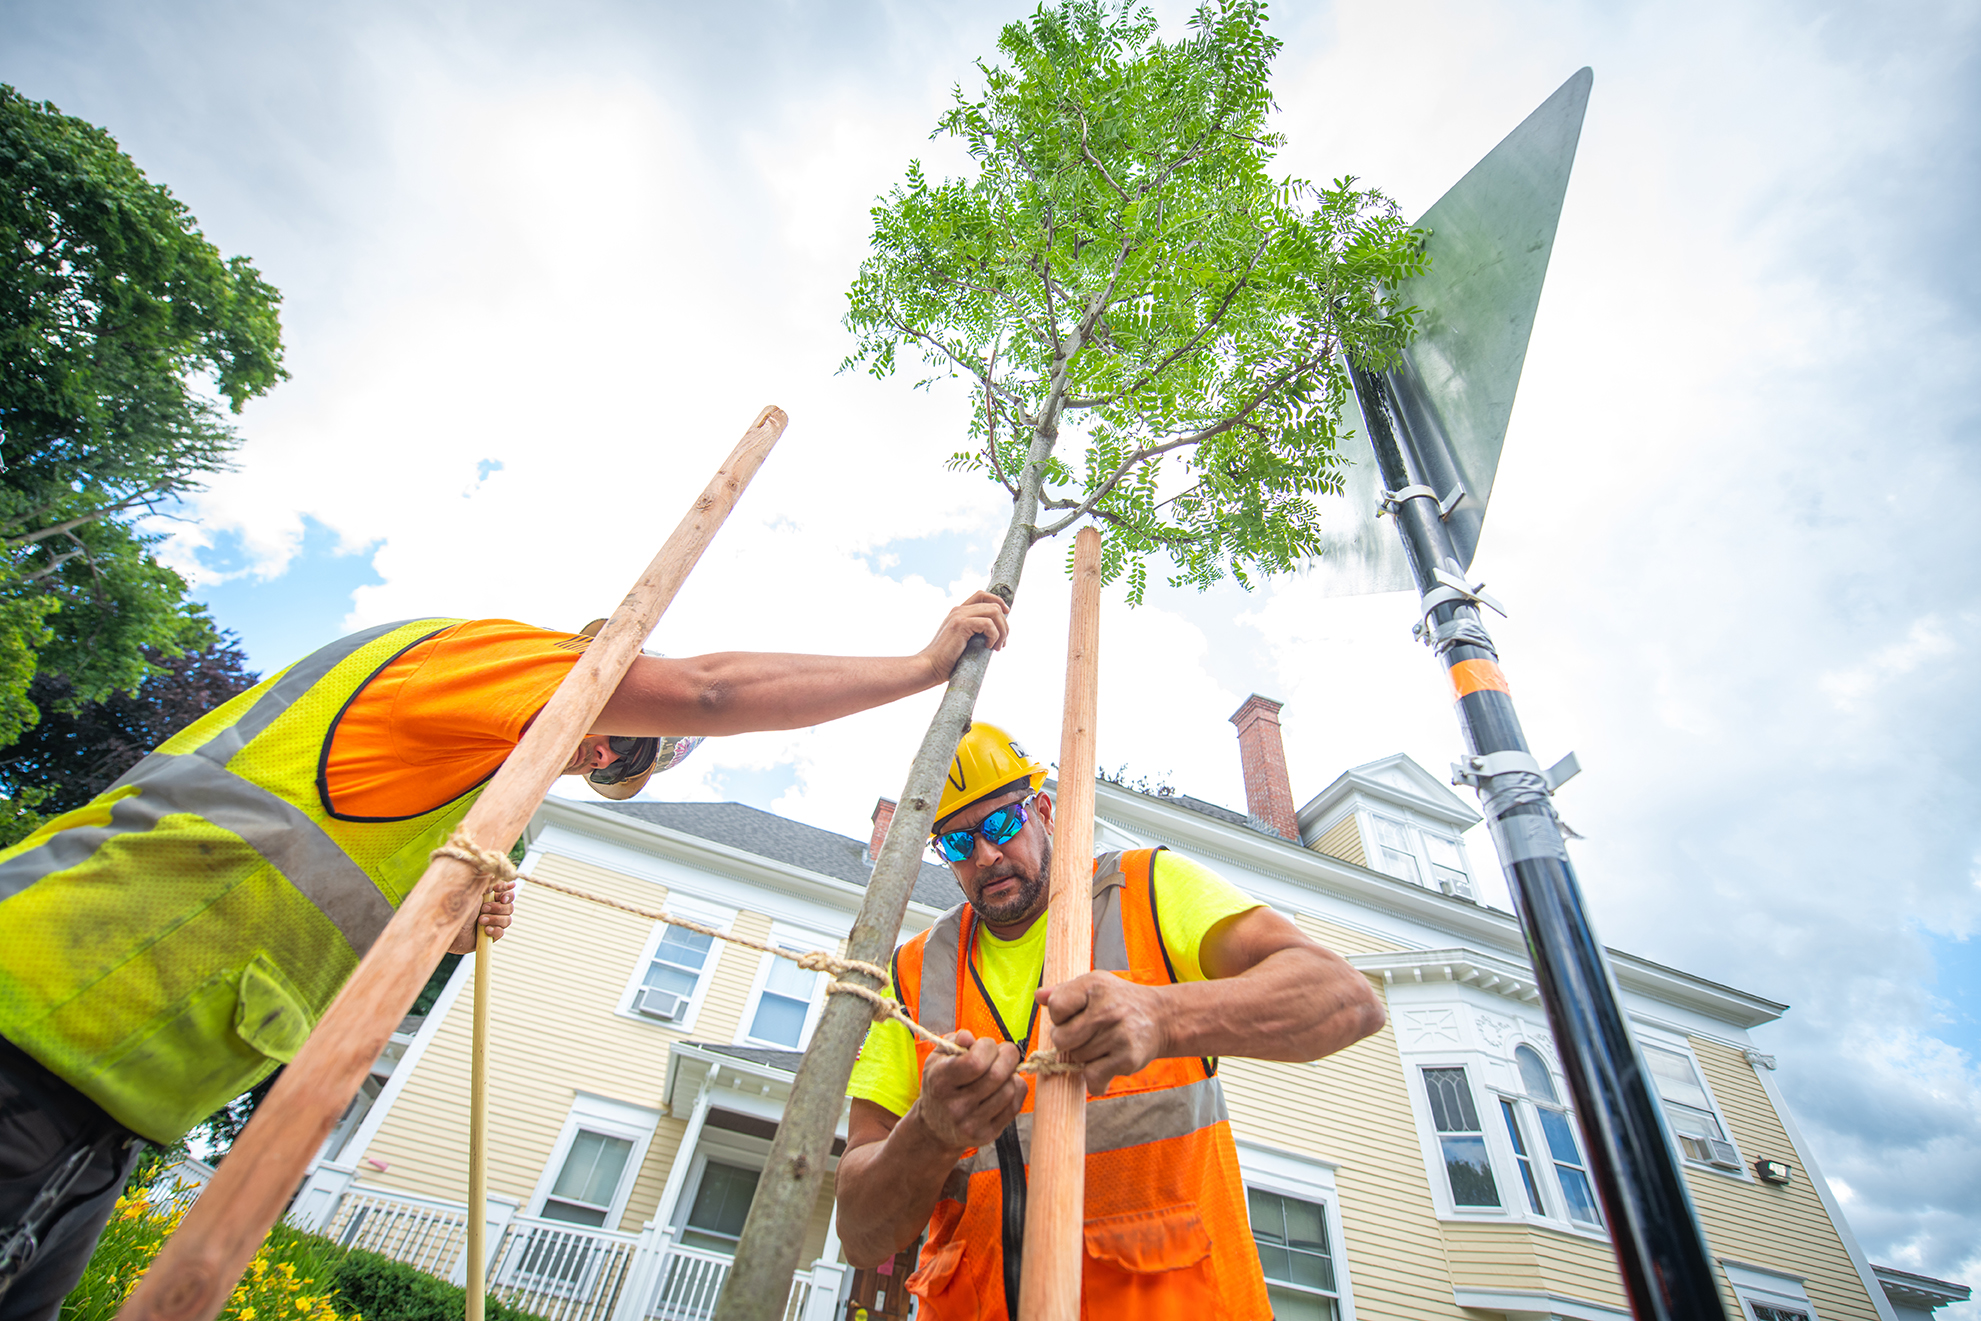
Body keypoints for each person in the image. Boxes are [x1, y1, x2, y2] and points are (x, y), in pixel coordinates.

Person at [0, 597, 1009, 1321]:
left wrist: (435, 911)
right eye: (619, 741)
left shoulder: (443, 789)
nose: (593, 759)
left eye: (624, 764)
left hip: (108, 1110)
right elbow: (706, 689)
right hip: (37, 1024)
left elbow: (321, 926)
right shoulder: (487, 655)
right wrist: (920, 669)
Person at [836, 721, 1386, 1320]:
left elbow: (1347, 999)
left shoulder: (1145, 889)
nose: (988, 855)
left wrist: (1164, 1016)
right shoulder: (914, 974)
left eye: (1001, 823)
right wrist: (929, 1133)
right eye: (960, 844)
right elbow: (861, 1233)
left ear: (1044, 809)